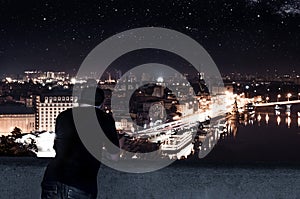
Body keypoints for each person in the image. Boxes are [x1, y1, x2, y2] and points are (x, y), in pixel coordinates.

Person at [41, 87, 120, 199]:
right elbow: (114, 157)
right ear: (101, 103)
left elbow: (59, 146)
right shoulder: (104, 119)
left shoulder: (63, 116)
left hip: (52, 179)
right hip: (80, 183)